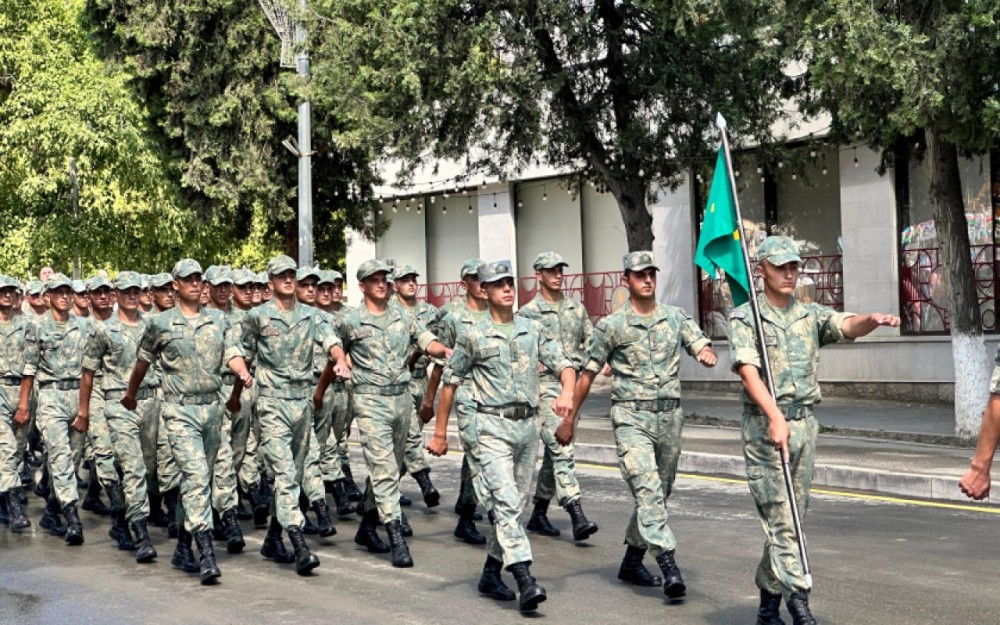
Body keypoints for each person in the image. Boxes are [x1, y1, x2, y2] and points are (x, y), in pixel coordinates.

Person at [728, 236, 899, 625]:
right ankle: (798, 600)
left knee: (790, 520)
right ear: (762, 270)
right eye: (780, 266)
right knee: (781, 520)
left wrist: (870, 320)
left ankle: (767, 607)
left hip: (804, 426)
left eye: (793, 266)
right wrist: (774, 416)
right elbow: (748, 372)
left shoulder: (809, 315)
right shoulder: (745, 317)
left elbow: (845, 325)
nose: (789, 273)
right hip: (765, 431)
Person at [566, 251, 717, 600]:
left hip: (669, 418)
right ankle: (668, 563)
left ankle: (632, 560)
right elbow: (587, 374)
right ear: (627, 281)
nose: (647, 279)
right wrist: (570, 418)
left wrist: (705, 352)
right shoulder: (612, 326)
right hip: (631, 418)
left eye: (651, 274)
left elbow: (699, 342)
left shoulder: (674, 317)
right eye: (640, 275)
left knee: (658, 493)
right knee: (648, 490)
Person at [428, 260, 576, 612]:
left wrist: (567, 392)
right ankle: (524, 577)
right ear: (485, 291)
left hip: (527, 428)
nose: (507, 289)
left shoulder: (531, 329)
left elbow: (564, 364)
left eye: (510, 282)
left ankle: (491, 573)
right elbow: (450, 383)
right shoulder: (473, 334)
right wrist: (439, 432)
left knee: (516, 506)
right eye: (498, 284)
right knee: (506, 503)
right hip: (490, 427)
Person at [123, 259, 249, 585]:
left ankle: (181, 547)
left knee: (199, 483)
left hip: (212, 409)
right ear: (175, 285)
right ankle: (205, 551)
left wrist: (241, 371)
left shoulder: (219, 320)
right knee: (196, 475)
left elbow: (232, 353)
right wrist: (131, 393)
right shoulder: (161, 324)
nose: (195, 283)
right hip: (179, 412)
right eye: (187, 279)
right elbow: (142, 362)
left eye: (198, 278)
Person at [323, 258, 450, 568]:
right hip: (369, 402)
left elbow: (425, 340)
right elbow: (333, 344)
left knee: (391, 470)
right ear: (362, 285)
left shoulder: (402, 317)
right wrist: (339, 359)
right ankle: (395, 536)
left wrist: (443, 350)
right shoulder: (351, 320)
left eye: (384, 278)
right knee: (382, 470)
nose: (382, 283)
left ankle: (367, 527)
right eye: (374, 279)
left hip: (402, 402)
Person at [229, 256, 349, 575]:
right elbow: (235, 349)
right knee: (283, 475)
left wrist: (340, 360)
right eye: (280, 275)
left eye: (291, 275)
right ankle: (299, 544)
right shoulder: (257, 316)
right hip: (271, 403)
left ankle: (271, 538)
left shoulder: (311, 316)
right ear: (270, 283)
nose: (287, 279)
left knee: (293, 476)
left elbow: (332, 342)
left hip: (303, 403)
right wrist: (241, 374)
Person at [516, 252, 598, 541]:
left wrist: (600, 361)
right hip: (545, 389)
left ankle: (539, 511)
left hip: (573, 385)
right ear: (538, 275)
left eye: (560, 270)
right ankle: (575, 509)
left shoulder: (576, 309)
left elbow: (591, 341)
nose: (558, 275)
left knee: (555, 450)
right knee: (563, 448)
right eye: (551, 271)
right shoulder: (527, 314)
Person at [80, 271, 160, 562]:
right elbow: (88, 373)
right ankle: (141, 535)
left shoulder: (152, 326)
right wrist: (84, 411)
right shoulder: (103, 330)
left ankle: (122, 515)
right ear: (116, 295)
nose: (130, 296)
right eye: (124, 291)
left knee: (149, 468)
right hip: (118, 403)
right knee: (134, 468)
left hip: (150, 402)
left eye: (134, 291)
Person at [419, 259, 489, 545]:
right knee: (476, 449)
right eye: (476, 279)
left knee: (480, 451)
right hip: (464, 392)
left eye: (485, 278)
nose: (483, 284)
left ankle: (467, 502)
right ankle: (467, 516)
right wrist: (429, 401)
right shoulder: (453, 318)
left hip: (493, 394)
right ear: (465, 284)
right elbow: (440, 364)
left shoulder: (498, 313)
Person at [19, 273, 91, 545]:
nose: (64, 296)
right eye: (58, 292)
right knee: (60, 456)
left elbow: (89, 369)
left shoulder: (83, 327)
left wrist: (85, 408)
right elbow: (29, 369)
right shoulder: (37, 328)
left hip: (78, 395)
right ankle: (72, 517)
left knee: (71, 460)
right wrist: (24, 405)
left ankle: (51, 510)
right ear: (48, 296)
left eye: (67, 292)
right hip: (50, 397)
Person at [203, 265, 246, 554]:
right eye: (217, 285)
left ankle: (222, 505)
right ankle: (223, 514)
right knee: (218, 456)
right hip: (211, 391)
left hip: (239, 388)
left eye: (226, 285)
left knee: (236, 454)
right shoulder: (201, 318)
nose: (222, 289)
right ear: (207, 287)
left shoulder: (242, 318)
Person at [391, 265, 441, 510]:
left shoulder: (429, 312)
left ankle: (382, 489)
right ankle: (425, 482)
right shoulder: (390, 311)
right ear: (395, 285)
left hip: (422, 379)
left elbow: (438, 343)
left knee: (403, 442)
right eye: (405, 280)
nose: (411, 283)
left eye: (413, 279)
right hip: (399, 380)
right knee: (411, 435)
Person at [315, 269, 362, 503]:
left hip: (340, 387)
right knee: (323, 443)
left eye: (332, 286)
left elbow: (351, 350)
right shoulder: (309, 318)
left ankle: (341, 479)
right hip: (314, 389)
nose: (328, 292)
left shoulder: (345, 319)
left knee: (339, 438)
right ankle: (332, 489)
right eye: (321, 288)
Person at [0, 275, 31, 532]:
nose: (7, 295)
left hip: (21, 389)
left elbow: (31, 365)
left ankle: (3, 495)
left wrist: (24, 402)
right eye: (2, 291)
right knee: (7, 449)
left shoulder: (27, 325)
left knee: (18, 450)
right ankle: (14, 508)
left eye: (11, 291)